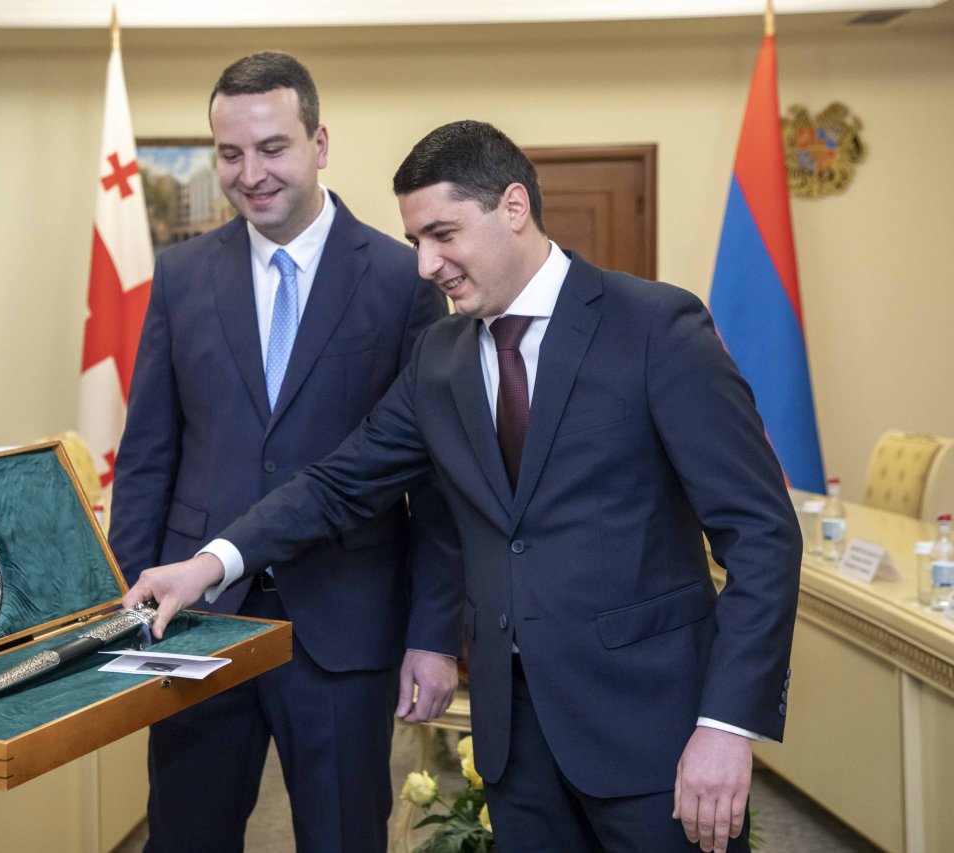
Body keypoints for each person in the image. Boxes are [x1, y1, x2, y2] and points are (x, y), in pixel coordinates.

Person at [124, 121, 802, 853]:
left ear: (513, 207)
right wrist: (208, 564)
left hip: (655, 730)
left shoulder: (655, 327)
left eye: (443, 234)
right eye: (415, 240)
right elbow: (336, 484)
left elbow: (761, 536)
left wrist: (726, 724)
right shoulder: (441, 358)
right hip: (516, 743)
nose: (426, 264)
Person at [108, 52, 461, 853]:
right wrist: (123, 606)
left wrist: (434, 633)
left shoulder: (402, 279)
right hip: (194, 622)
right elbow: (149, 455)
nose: (251, 173)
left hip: (345, 623)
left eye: (272, 148)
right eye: (230, 154)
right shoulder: (181, 275)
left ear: (319, 143)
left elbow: (435, 482)